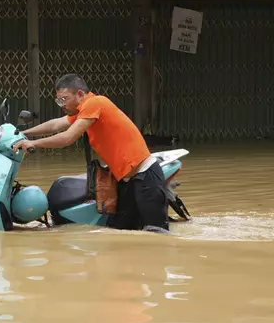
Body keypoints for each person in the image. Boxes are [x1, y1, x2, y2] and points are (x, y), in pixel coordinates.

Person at [13, 73, 170, 232]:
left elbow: (68, 137)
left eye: (64, 99)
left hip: (145, 175)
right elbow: (56, 125)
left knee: (157, 232)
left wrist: (34, 143)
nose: (61, 104)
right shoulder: (84, 112)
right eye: (58, 100)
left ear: (80, 94)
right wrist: (23, 133)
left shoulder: (95, 103)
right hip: (127, 181)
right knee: (120, 231)